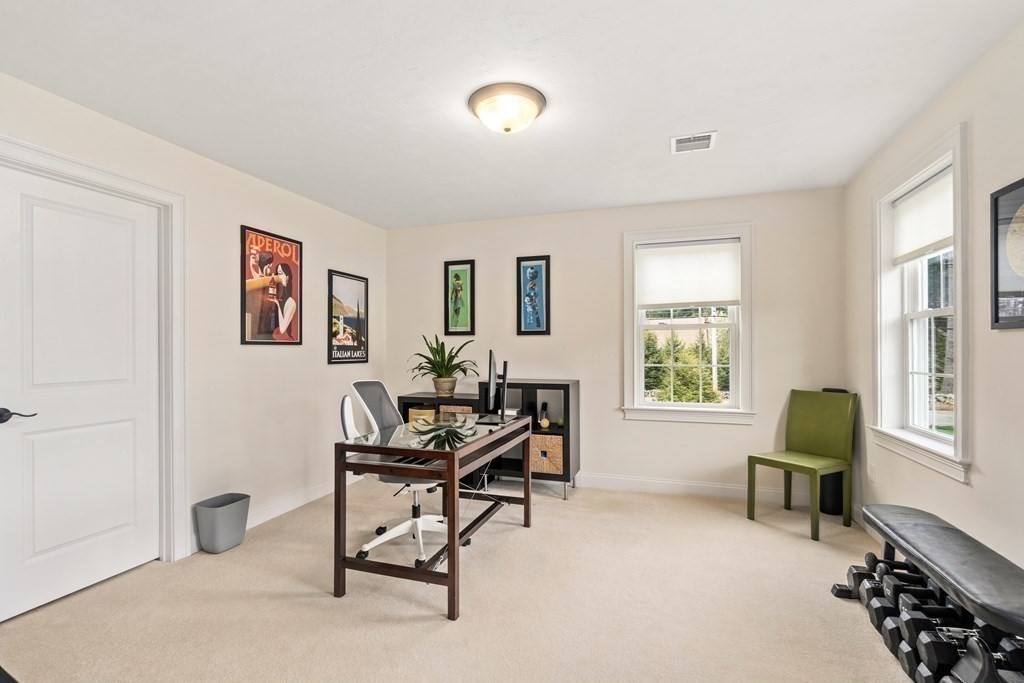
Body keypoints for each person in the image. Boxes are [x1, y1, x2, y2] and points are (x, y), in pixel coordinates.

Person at [273, 262, 297, 339]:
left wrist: (277, 304)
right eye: (276, 273)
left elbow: (282, 329)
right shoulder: (274, 297)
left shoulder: (290, 302)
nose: (277, 277)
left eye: (280, 273)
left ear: (287, 278)